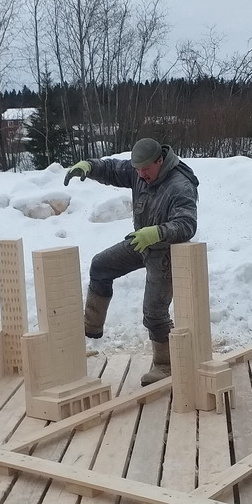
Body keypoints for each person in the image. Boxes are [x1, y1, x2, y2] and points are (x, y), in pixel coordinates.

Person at [64, 137, 199, 386]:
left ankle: (165, 365)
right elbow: (113, 169)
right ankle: (91, 326)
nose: (141, 175)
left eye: (145, 170)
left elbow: (187, 224)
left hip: (165, 251)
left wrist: (156, 233)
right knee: (101, 266)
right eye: (137, 170)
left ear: (160, 161)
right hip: (141, 242)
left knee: (154, 312)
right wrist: (89, 166)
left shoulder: (180, 185)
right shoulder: (139, 171)